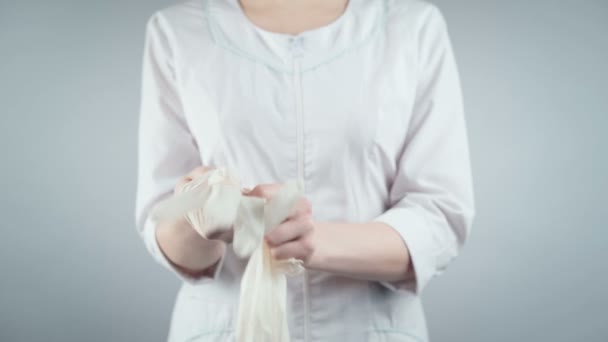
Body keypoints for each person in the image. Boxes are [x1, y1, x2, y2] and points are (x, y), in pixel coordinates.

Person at [135, 0, 475, 341]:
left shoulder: (412, 26)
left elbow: (438, 216)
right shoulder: (177, 31)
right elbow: (162, 217)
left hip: (367, 328)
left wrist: (310, 241)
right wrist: (203, 216)